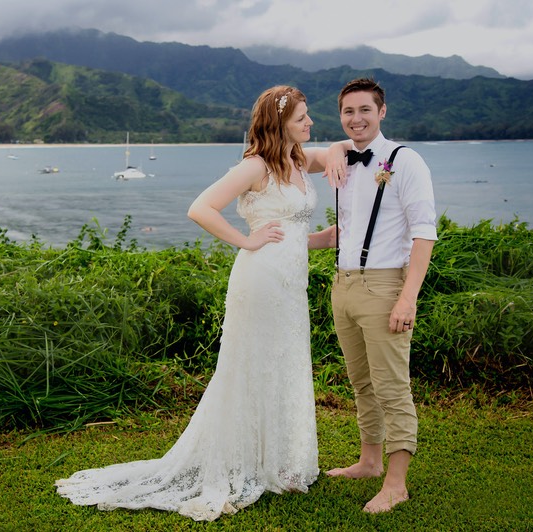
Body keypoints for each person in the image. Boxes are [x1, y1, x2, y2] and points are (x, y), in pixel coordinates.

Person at [55, 85, 343, 521]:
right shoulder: (256, 166)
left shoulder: (299, 159)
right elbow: (201, 208)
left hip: (291, 283)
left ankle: (279, 461)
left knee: (284, 362)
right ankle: (243, 462)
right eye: (302, 117)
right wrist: (246, 240)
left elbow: (334, 158)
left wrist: (323, 237)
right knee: (252, 365)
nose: (310, 123)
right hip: (261, 280)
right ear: (279, 123)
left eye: (308, 116)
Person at [310, 78, 437, 513]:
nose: (356, 118)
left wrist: (408, 298)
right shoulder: (342, 159)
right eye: (348, 111)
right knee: (361, 382)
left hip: (384, 286)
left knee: (392, 386)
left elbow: (424, 233)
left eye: (365, 109)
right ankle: (369, 462)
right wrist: (282, 242)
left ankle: (396, 484)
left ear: (382, 112)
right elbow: (343, 230)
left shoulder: (406, 161)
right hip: (342, 285)